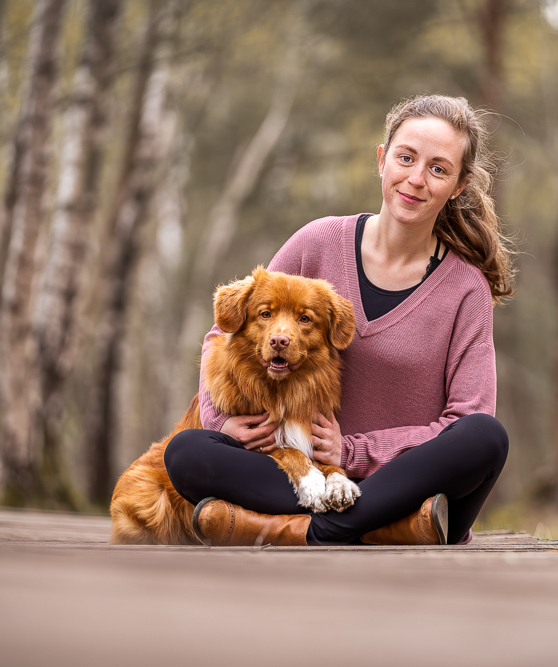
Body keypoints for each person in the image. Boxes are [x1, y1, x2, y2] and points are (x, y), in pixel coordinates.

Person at [164, 94, 516, 546]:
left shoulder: (466, 289)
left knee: (485, 437)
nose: (416, 179)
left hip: (405, 483)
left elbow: (467, 415)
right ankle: (387, 531)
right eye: (406, 158)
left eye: (438, 168)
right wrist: (220, 423)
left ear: (459, 185)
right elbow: (224, 331)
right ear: (382, 159)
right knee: (188, 451)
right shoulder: (318, 241)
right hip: (306, 474)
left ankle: (304, 529)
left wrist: (352, 452)